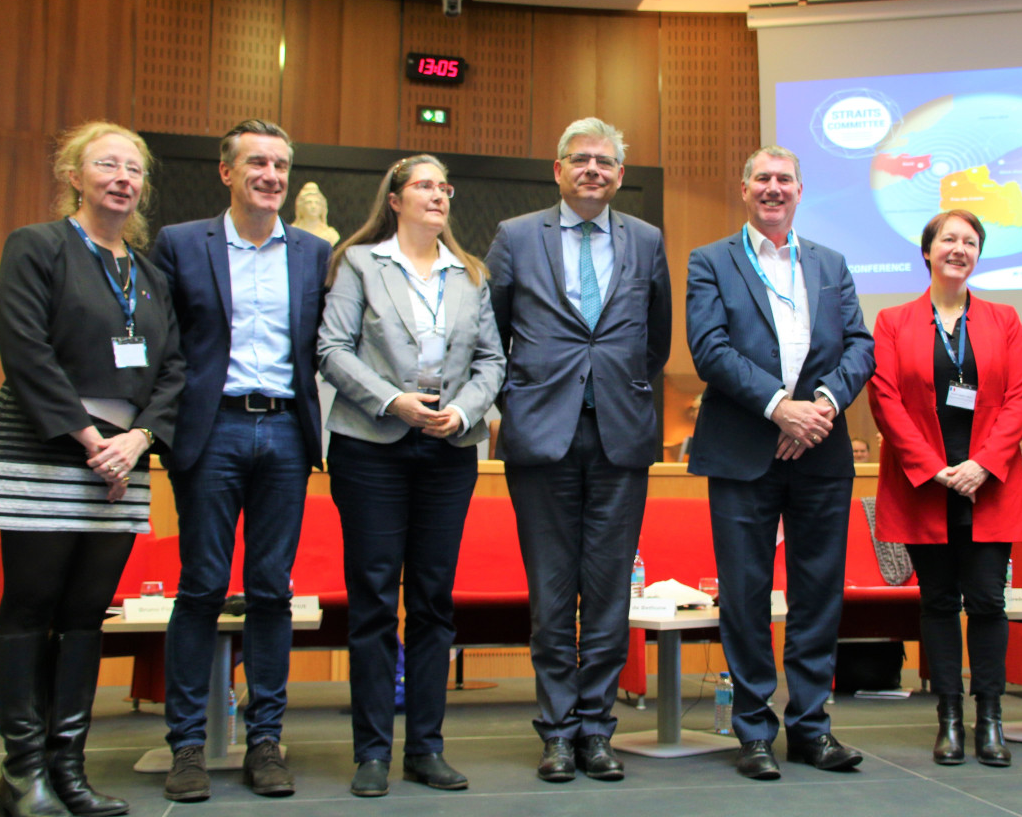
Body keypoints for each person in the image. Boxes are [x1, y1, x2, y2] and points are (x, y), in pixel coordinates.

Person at [0, 121, 183, 817]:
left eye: (134, 169)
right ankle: (22, 771)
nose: (123, 178)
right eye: (108, 165)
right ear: (74, 174)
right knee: (31, 608)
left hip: (122, 463)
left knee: (86, 614)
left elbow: (173, 367)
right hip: (45, 452)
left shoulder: (148, 270)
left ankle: (69, 768)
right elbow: (25, 349)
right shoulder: (37, 248)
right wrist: (90, 436)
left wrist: (140, 438)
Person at [486, 117, 671, 783]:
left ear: (621, 175)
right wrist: (528, 398)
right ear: (557, 169)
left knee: (608, 591)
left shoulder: (646, 240)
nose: (593, 169)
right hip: (541, 436)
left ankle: (597, 730)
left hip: (621, 434)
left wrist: (616, 388)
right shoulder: (514, 237)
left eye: (606, 161)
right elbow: (493, 331)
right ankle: (556, 732)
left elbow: (657, 339)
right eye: (580, 159)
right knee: (552, 591)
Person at [152, 120, 331, 801]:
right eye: (257, 162)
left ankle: (266, 741)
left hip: (286, 432)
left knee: (270, 591)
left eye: (281, 164)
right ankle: (188, 747)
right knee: (200, 587)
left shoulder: (314, 254)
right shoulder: (180, 244)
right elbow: (167, 347)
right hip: (211, 432)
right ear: (226, 172)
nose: (272, 175)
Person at [686, 146, 875, 780]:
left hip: (820, 452)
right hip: (743, 452)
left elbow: (859, 345)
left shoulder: (831, 263)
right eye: (762, 179)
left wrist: (818, 406)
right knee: (745, 595)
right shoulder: (711, 261)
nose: (774, 189)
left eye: (784, 180)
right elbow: (710, 349)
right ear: (744, 190)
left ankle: (812, 730)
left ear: (800, 191)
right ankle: (753, 733)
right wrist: (778, 409)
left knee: (818, 593)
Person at [318, 156, 505, 797]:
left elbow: (491, 360)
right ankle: (372, 751)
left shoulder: (470, 274)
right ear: (394, 199)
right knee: (373, 599)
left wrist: (464, 411)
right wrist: (392, 401)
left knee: (432, 600)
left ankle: (425, 747)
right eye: (425, 185)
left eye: (445, 186)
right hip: (371, 445)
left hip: (447, 449)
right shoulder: (360, 263)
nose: (439, 195)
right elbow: (332, 349)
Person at [867, 210, 1022, 767]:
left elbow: (1020, 397)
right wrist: (935, 467)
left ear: (978, 255)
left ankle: (990, 719)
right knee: (938, 603)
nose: (959, 249)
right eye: (949, 240)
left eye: (970, 242)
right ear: (927, 251)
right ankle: (949, 720)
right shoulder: (892, 320)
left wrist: (983, 464)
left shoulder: (1005, 319)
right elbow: (885, 400)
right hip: (924, 484)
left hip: (990, 484)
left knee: (987, 601)